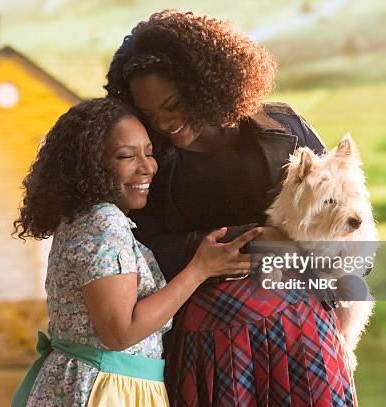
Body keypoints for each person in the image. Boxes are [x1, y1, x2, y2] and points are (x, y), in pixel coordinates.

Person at [105, 10, 358, 406]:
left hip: (303, 330)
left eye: (173, 104)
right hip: (207, 342)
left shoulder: (283, 128)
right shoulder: (150, 161)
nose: (165, 123)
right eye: (150, 115)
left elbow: (352, 226)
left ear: (206, 84)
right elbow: (138, 250)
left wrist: (315, 262)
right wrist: (235, 243)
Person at [10, 98, 262, 407]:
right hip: (106, 390)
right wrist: (199, 270)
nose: (147, 167)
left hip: (83, 382)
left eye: (149, 153)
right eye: (127, 156)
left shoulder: (80, 218)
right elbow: (120, 332)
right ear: (90, 164)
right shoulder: (105, 222)